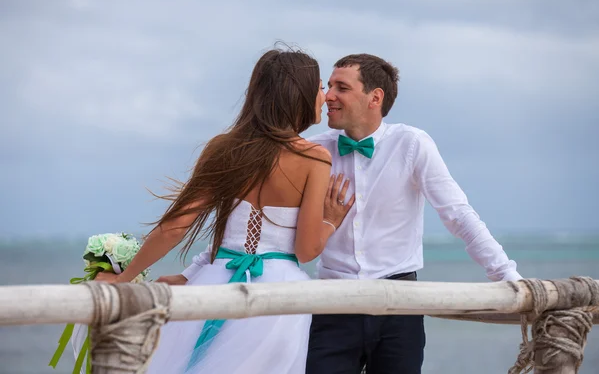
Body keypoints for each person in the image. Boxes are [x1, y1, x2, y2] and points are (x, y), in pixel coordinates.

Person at [94, 47, 355, 374]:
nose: (324, 96)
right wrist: (330, 221)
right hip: (278, 296)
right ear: (298, 94)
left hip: (213, 284)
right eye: (318, 87)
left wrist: (125, 280)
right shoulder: (314, 158)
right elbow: (306, 251)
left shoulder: (224, 148)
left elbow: (174, 228)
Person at [305, 54, 523, 374]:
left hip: (401, 308)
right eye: (330, 86)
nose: (328, 96)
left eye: (342, 87)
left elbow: (458, 215)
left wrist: (510, 279)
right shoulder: (313, 150)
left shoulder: (412, 143)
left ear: (374, 97)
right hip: (332, 304)